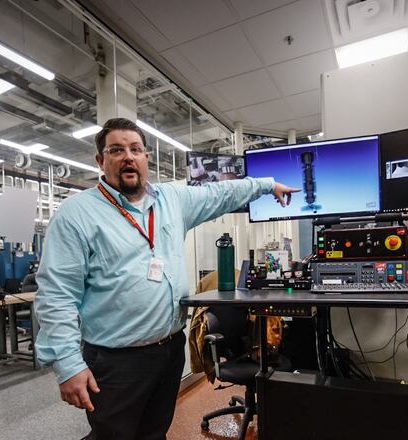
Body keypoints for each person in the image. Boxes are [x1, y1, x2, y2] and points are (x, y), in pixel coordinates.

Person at [35, 117, 300, 439]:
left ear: (146, 157)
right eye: (116, 150)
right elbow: (56, 295)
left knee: (155, 433)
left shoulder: (170, 199)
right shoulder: (76, 214)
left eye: (135, 149)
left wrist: (266, 185)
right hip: (116, 361)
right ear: (100, 160)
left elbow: (221, 192)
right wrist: (67, 364)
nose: (128, 156)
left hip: (169, 349)